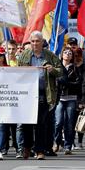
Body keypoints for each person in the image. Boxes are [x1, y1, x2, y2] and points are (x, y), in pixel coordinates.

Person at [17, 31, 61, 160]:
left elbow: (61, 71)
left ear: (42, 42)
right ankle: (26, 147)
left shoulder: (50, 55)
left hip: (43, 93)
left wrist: (52, 70)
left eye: (37, 41)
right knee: (26, 123)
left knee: (41, 123)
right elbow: (17, 73)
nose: (35, 43)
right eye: (33, 41)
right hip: (27, 93)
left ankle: (40, 150)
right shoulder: (24, 55)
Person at [54, 47, 82, 155]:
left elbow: (78, 83)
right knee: (58, 122)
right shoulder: (57, 67)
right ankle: (56, 142)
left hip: (71, 97)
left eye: (70, 53)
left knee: (69, 123)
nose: (67, 54)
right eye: (65, 52)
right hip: (59, 97)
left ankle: (68, 146)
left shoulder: (75, 68)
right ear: (61, 55)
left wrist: (66, 83)